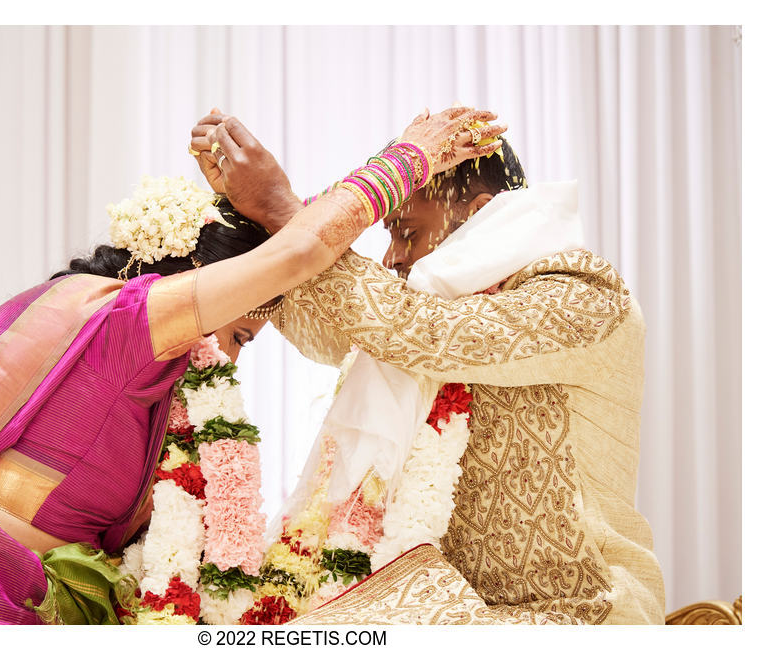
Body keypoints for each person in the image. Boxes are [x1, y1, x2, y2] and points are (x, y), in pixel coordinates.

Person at [0, 106, 504, 624]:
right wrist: (409, 155)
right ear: (202, 279)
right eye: (242, 335)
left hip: (29, 603)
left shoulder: (147, 371)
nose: (229, 359)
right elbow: (303, 249)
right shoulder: (130, 326)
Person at [188, 111, 666, 624]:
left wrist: (282, 210)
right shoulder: (409, 308)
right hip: (444, 601)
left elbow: (424, 333)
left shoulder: (582, 295)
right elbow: (326, 323)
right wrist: (247, 217)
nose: (392, 258)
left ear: (479, 211)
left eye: (407, 233)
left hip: (579, 611)